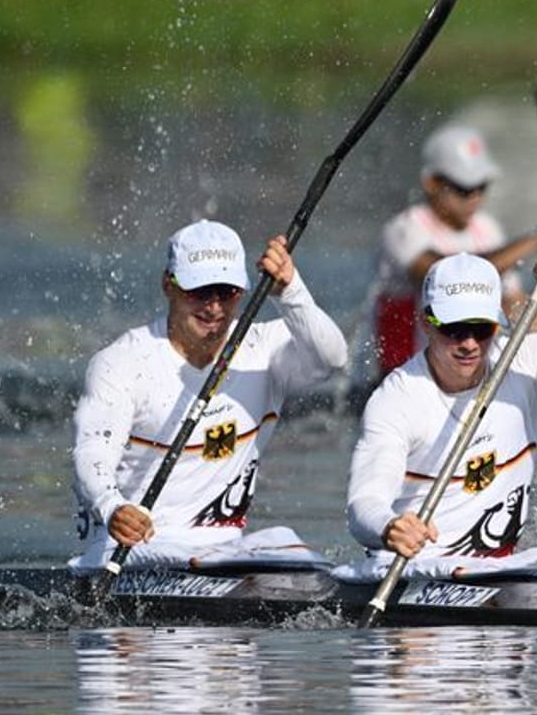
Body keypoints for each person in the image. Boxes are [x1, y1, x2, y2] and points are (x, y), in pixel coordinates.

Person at [337, 246, 537, 582]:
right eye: (453, 327)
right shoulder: (397, 398)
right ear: (425, 321)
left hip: (495, 574)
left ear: (498, 323)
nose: (468, 344)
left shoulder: (526, 363)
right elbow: (364, 502)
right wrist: (388, 527)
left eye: (481, 328)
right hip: (415, 570)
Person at [70, 219, 348, 573]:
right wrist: (113, 507)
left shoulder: (263, 349)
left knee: (290, 545)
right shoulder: (122, 363)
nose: (214, 307)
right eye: (199, 292)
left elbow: (333, 358)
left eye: (226, 292)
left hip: (223, 551)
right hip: (134, 549)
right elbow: (91, 451)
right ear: (168, 285)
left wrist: (291, 291)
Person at [373, 123, 537, 377]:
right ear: (431, 183)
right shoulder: (404, 229)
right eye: (463, 188)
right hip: (402, 376)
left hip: (460, 373)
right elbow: (447, 274)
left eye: (482, 186)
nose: (474, 197)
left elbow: (513, 305)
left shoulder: (487, 228)